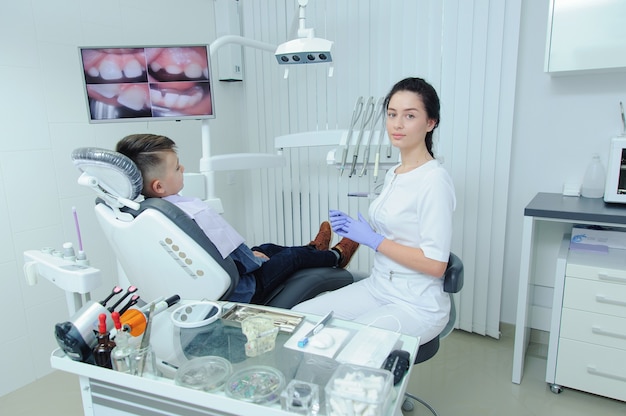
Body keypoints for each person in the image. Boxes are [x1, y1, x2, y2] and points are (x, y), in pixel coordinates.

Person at [293, 77, 456, 345]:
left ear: (430, 122)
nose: (397, 124)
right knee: (300, 320)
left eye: (409, 115)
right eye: (392, 114)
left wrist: (374, 240)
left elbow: (436, 265)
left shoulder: (434, 180)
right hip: (379, 286)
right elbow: (399, 229)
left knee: (343, 344)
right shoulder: (395, 172)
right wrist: (359, 230)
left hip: (415, 303)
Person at [115, 134, 359, 304]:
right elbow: (243, 259)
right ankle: (337, 256)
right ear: (159, 186)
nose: (183, 168)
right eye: (177, 168)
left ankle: (314, 250)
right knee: (289, 257)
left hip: (224, 277)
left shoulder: (149, 212)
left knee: (267, 248)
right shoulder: (192, 213)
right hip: (245, 289)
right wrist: (253, 260)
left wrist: (254, 255)